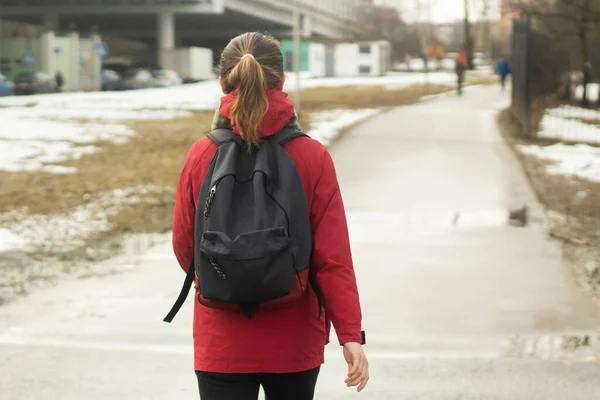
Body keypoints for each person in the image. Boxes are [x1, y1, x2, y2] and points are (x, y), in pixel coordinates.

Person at [171, 32, 368, 400]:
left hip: (222, 340)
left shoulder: (201, 154)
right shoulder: (312, 157)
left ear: (222, 83)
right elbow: (332, 258)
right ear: (281, 81)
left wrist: (227, 277)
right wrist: (350, 335)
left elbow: (186, 245)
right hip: (293, 340)